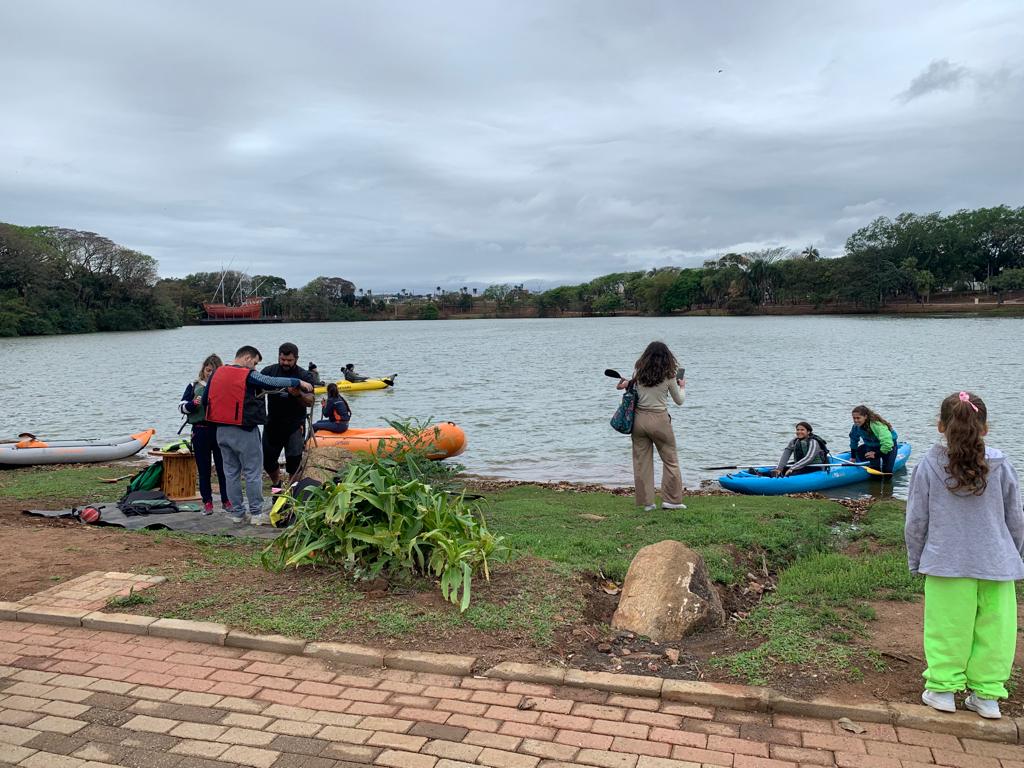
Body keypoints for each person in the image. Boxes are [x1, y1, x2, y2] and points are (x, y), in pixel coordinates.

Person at [906, 391, 1023, 720]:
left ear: (940, 425)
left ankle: (942, 690)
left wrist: (916, 560)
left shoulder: (928, 465)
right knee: (996, 630)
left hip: (946, 562)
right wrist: (1016, 557)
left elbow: (916, 521)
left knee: (947, 627)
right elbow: (1016, 518)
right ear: (984, 428)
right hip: (998, 563)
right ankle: (987, 697)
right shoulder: (1002, 463)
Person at [203, 345, 313, 525]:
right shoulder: (248, 375)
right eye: (254, 363)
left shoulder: (217, 373)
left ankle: (238, 513)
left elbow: (206, 399)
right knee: (252, 472)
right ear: (247, 358)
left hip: (221, 431)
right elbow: (272, 382)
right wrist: (297, 382)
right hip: (245, 430)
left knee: (230, 473)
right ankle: (255, 513)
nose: (254, 367)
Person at [616, 341, 686, 511]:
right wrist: (682, 387)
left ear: (646, 357)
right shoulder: (669, 376)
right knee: (670, 460)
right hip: (660, 420)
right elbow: (679, 401)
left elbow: (629, 387)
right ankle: (671, 500)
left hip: (639, 420)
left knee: (642, 462)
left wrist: (625, 384)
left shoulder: (639, 374)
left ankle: (648, 503)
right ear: (667, 358)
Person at [178, 354, 230, 515]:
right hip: (200, 430)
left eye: (214, 371)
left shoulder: (224, 386)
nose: (210, 374)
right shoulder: (194, 385)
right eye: (208, 370)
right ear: (204, 370)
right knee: (204, 468)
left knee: (224, 468)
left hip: (219, 430)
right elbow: (181, 407)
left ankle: (226, 500)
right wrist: (192, 404)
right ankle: (207, 502)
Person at [261, 342, 315, 488]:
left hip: (295, 426)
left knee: (294, 463)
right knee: (267, 461)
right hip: (272, 424)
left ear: (296, 359)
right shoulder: (268, 372)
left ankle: (291, 493)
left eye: (289, 360)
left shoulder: (304, 375)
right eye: (282, 360)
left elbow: (310, 401)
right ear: (279, 357)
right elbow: (256, 392)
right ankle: (276, 485)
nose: (285, 363)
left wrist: (298, 395)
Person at [850, 405, 899, 474]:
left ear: (865, 417)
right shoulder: (856, 427)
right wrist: (853, 457)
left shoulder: (876, 425)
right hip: (872, 447)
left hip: (888, 447)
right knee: (875, 471)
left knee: (887, 471)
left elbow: (887, 443)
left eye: (858, 418)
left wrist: (876, 454)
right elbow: (853, 440)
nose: (856, 420)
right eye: (854, 418)